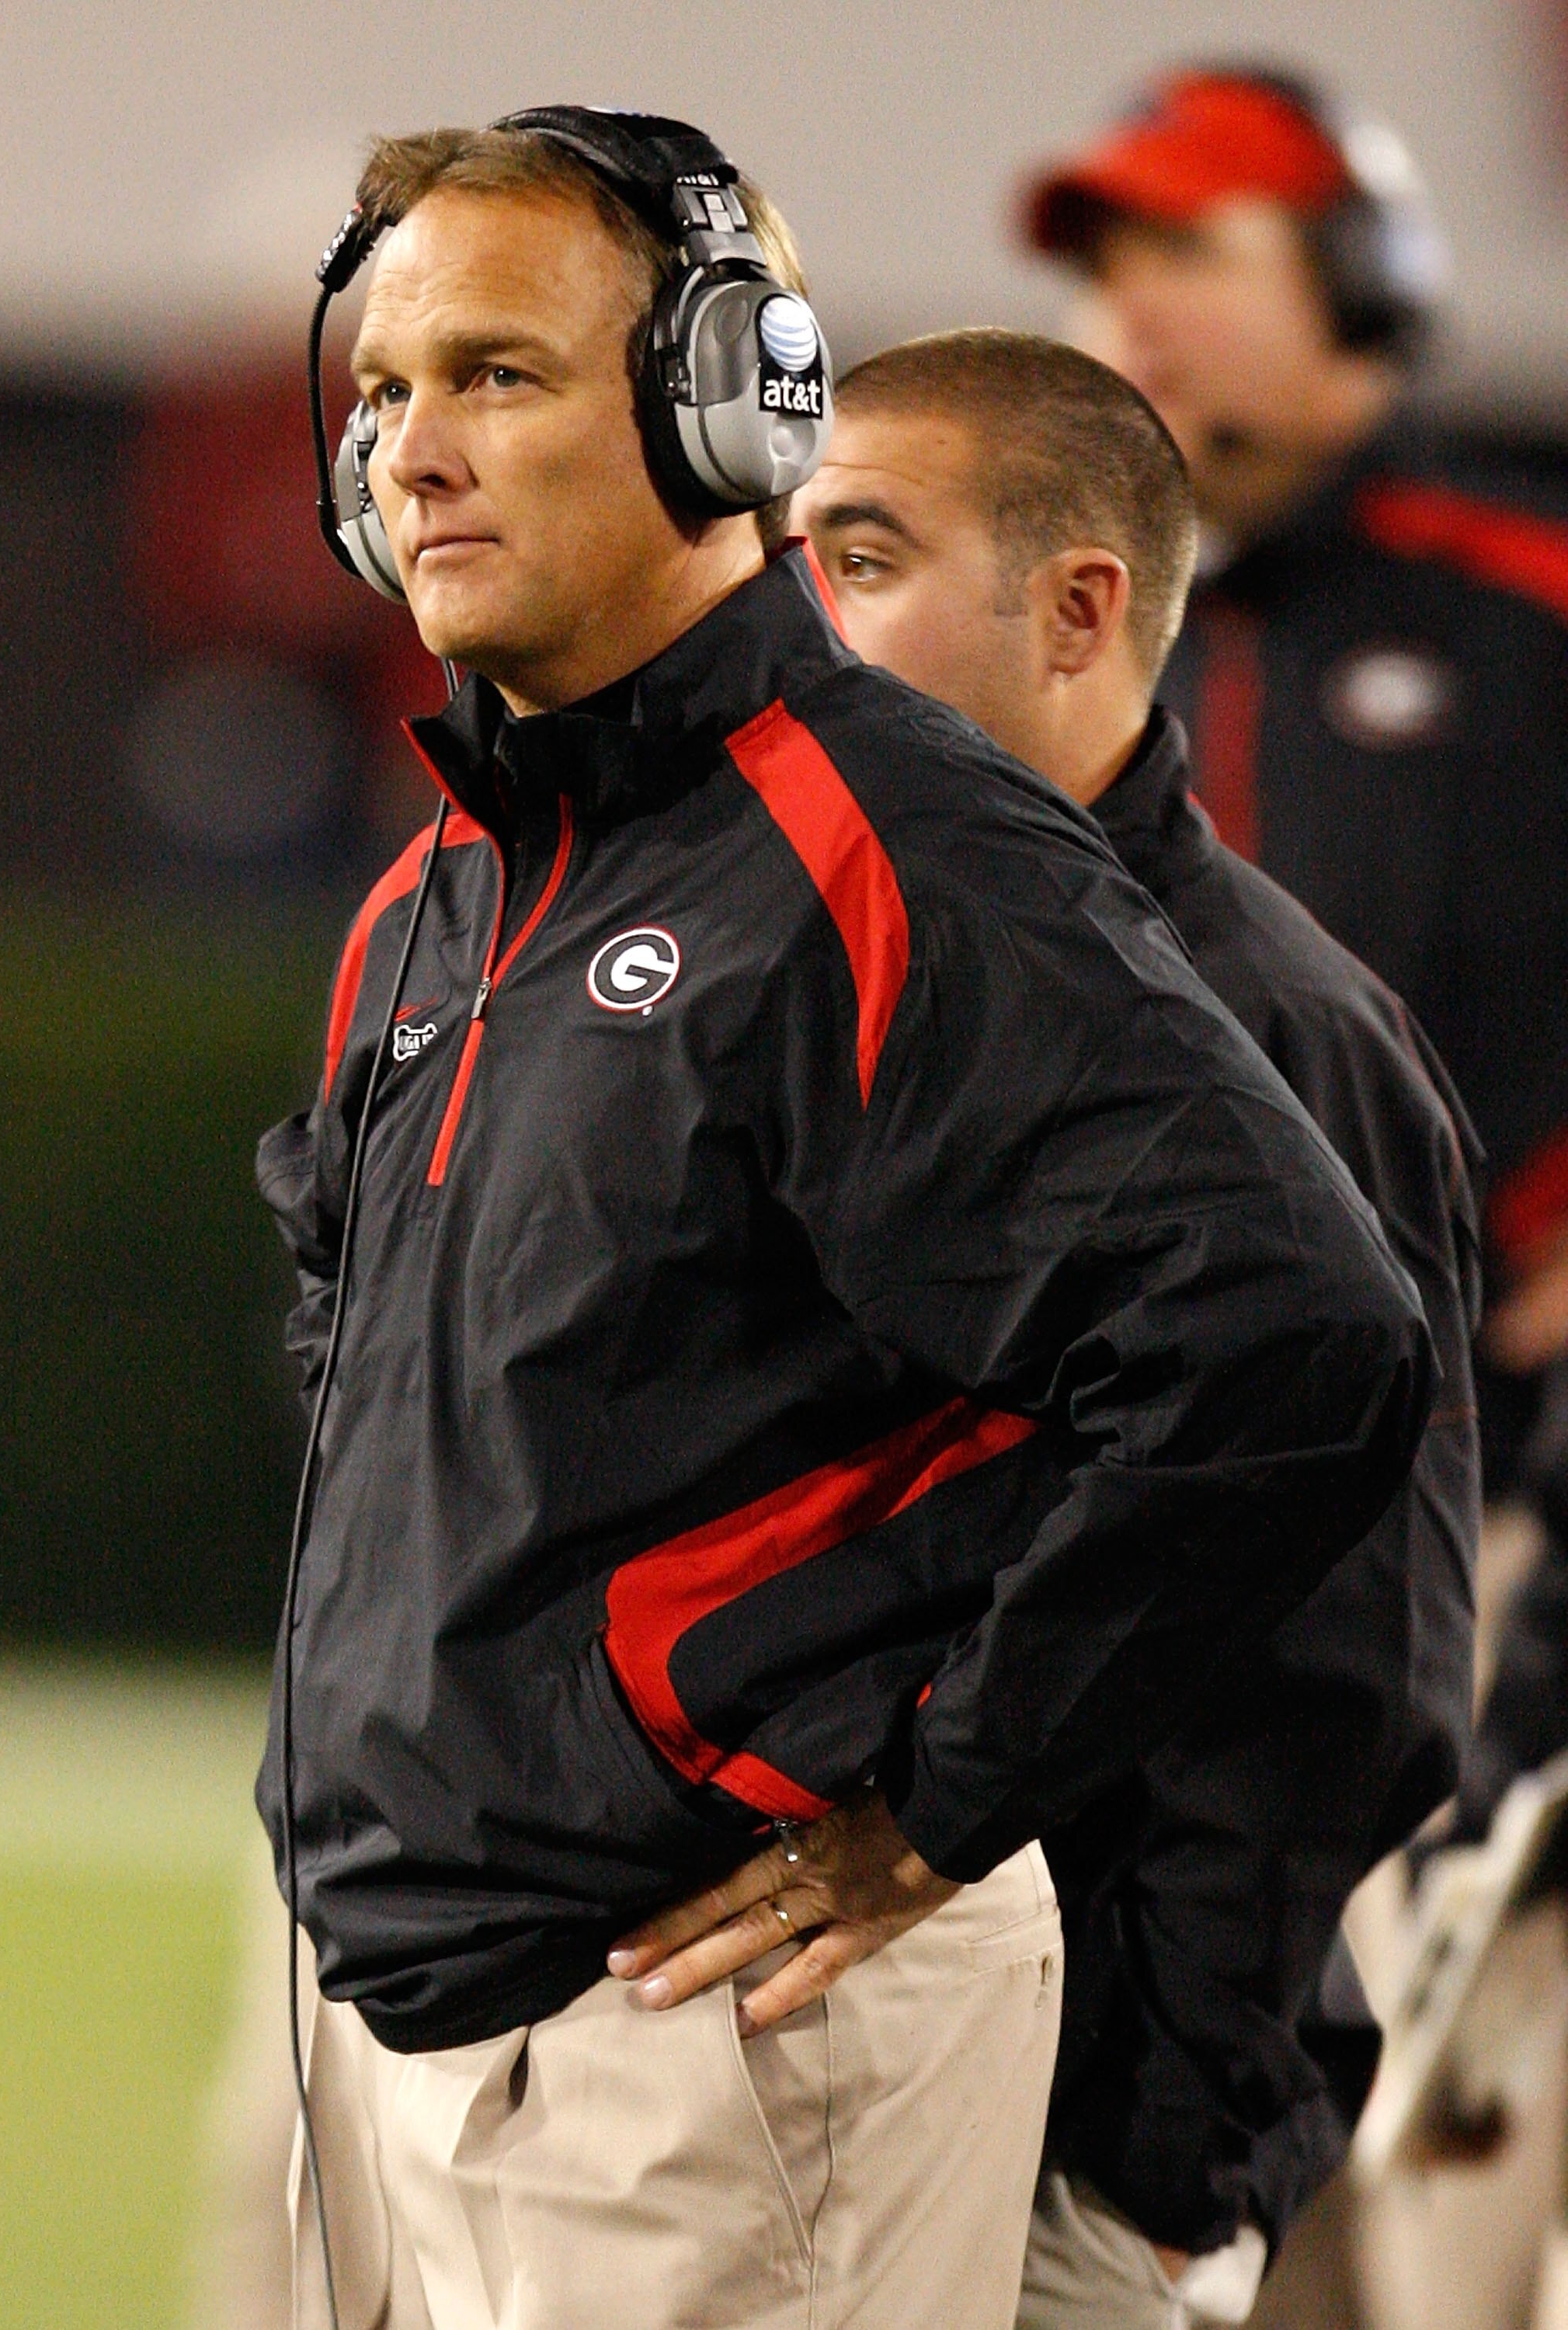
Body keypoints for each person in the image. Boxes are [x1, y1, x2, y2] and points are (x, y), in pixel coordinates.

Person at [256, 111, 1433, 2330]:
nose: (410, 451)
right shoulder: (440, 893)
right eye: (384, 393)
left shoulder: (885, 844)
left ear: (728, 401)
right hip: (432, 2025)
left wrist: (940, 1794)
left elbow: (1288, 1340)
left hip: (717, 2033)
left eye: (495, 375)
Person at [791, 326, 1483, 2328]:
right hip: (800, 2072)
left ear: (1082, 607)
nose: (799, 625)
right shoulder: (819, 944)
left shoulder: (1279, 1032)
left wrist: (1154, 2143)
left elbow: (1351, 1680)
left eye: (861, 555)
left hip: (1068, 2138)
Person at [1019, 63, 1568, 1491]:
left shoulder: (1533, 593)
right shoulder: (1032, 636)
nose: (1127, 309)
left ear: (1357, 285)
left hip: (1498, 1436)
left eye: (1189, 252)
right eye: (1102, 266)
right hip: (1151, 1451)